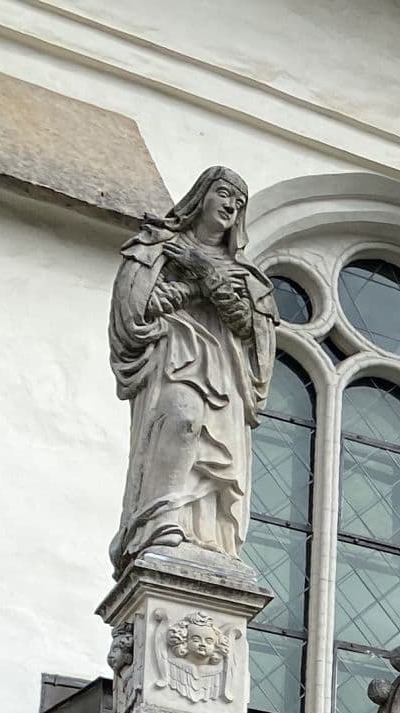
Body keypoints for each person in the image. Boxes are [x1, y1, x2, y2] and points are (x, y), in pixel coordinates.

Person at [108, 165, 276, 575]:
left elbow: (246, 325)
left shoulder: (246, 276)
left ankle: (204, 533)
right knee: (182, 419)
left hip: (223, 366)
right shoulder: (155, 250)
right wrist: (194, 285)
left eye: (239, 203)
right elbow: (138, 309)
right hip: (173, 353)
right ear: (201, 197)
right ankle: (157, 517)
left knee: (212, 449)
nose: (230, 207)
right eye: (223, 194)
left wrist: (203, 273)